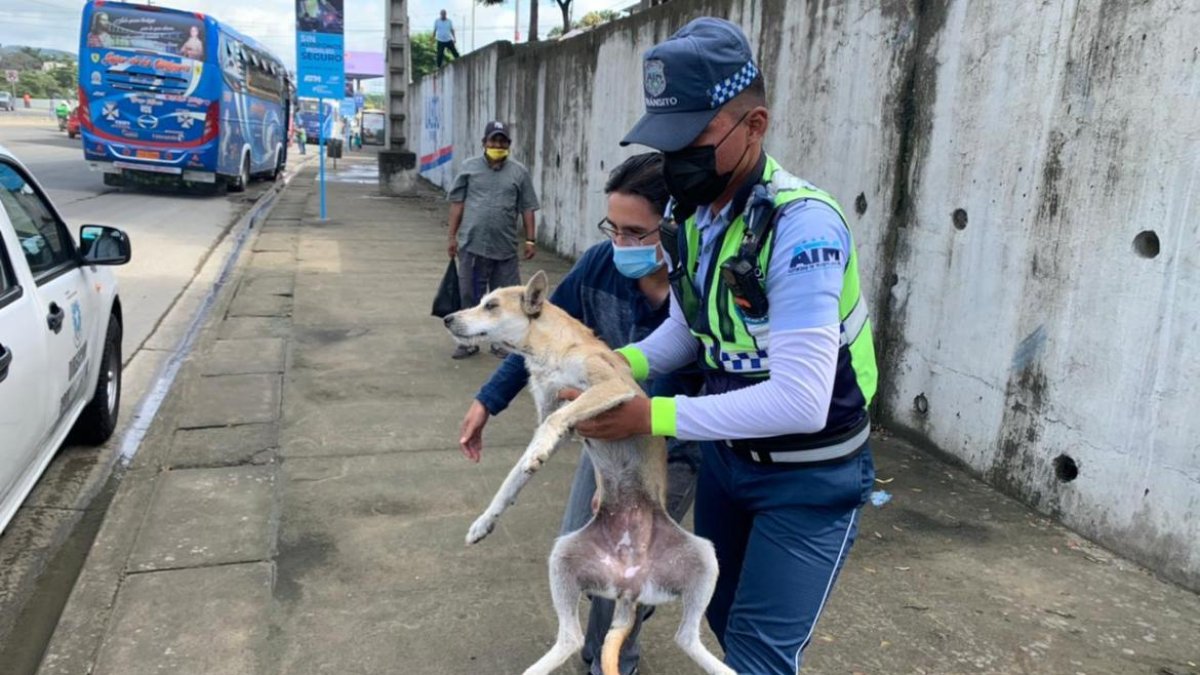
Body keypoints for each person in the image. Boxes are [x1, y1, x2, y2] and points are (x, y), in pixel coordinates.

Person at [567, 17, 879, 674]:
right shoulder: (699, 217)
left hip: (810, 476)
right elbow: (689, 329)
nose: (675, 160)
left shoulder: (802, 227)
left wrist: (649, 414)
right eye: (664, 141)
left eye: (693, 140)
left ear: (755, 126)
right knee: (723, 617)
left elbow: (800, 399)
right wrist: (623, 364)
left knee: (763, 655)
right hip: (730, 466)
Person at [458, 153, 702, 675]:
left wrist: (640, 437)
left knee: (631, 567)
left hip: (672, 446)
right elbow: (533, 335)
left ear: (675, 228)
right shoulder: (599, 265)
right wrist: (488, 401)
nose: (621, 245)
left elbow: (710, 396)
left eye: (637, 232)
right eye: (613, 228)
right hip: (598, 436)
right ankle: (593, 654)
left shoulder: (699, 292)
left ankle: (613, 663)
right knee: (583, 557)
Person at [446, 120, 539, 359]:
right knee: (469, 295)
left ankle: (502, 343)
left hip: (505, 248)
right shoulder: (469, 168)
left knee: (506, 300)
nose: (497, 144)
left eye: (502, 141)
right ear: (484, 143)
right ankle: (468, 342)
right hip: (472, 245)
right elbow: (458, 204)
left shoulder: (519, 172)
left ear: (508, 144)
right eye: (493, 140)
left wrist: (530, 240)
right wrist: (451, 237)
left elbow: (528, 208)